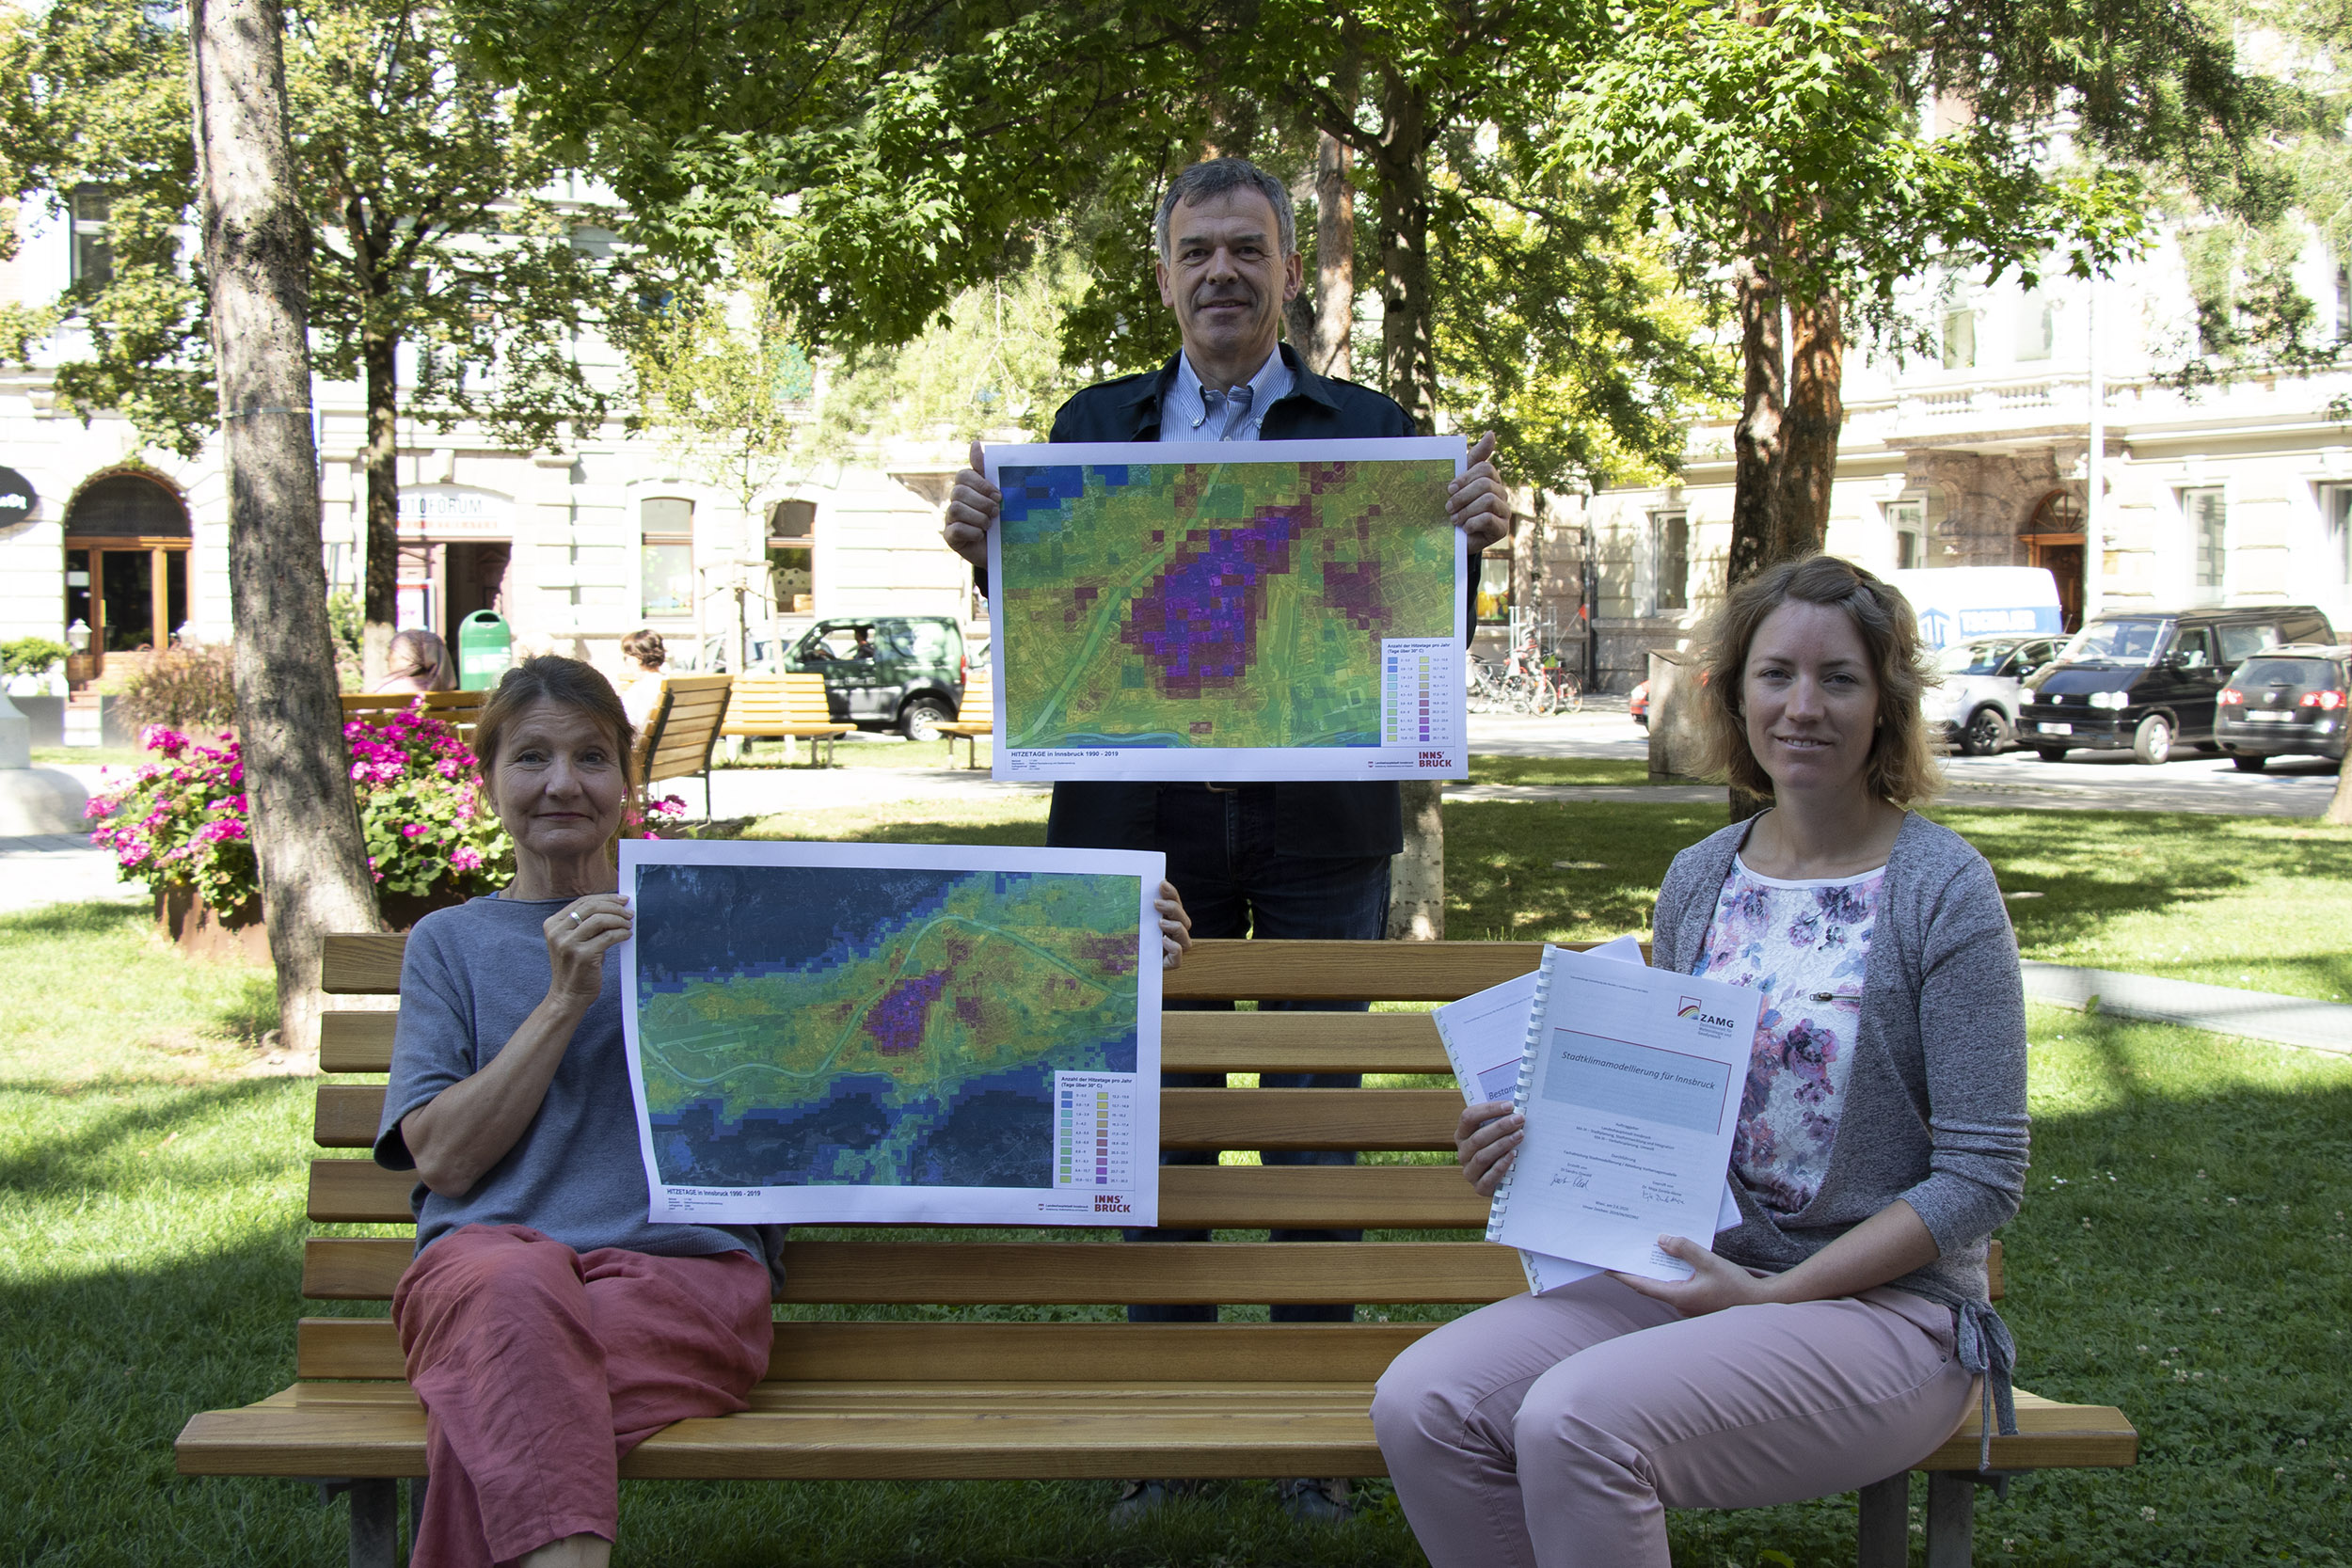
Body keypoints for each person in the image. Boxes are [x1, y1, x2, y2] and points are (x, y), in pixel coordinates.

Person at [940, 154, 1510, 1523]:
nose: (1222, 275)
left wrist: (1470, 546)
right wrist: (982, 548)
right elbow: (1060, 611)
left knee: (1315, 1119)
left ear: (1290, 269)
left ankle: (1317, 1429)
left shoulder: (1371, 427)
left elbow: (1414, 622)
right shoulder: (1092, 424)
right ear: (1164, 272)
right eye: (1197, 252)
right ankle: (1168, 1424)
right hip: (1139, 826)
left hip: (1319, 825)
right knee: (1160, 1115)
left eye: (1247, 250)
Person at [373, 655, 1194, 1568]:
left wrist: (1112, 933)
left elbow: (918, 971)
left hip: (680, 1276)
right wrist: (563, 1000)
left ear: (625, 779)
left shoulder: (714, 910)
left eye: (591, 757)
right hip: (489, 1266)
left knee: (506, 1383)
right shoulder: (449, 944)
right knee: (516, 1301)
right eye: (530, 758)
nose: (562, 782)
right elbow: (443, 1161)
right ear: (489, 778)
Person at [1371, 555, 2029, 1568]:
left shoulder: (1944, 890)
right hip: (1699, 1271)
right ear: (1735, 692)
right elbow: (1669, 1110)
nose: (1802, 706)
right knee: (1424, 1402)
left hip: (1895, 1315)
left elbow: (1981, 1176)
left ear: (1886, 703)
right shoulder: (1700, 877)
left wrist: (1774, 1295)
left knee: (1577, 1420)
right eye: (1775, 674)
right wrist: (1535, 1139)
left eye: (1838, 678)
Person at [377, 628, 456, 694]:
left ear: (409, 657)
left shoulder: (390, 689)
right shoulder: (443, 689)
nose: (386, 658)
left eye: (391, 652)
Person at [617, 628, 666, 731]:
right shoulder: (668, 684)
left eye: (626, 657)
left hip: (640, 745)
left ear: (638, 658)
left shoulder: (638, 691)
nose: (626, 663)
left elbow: (625, 726)